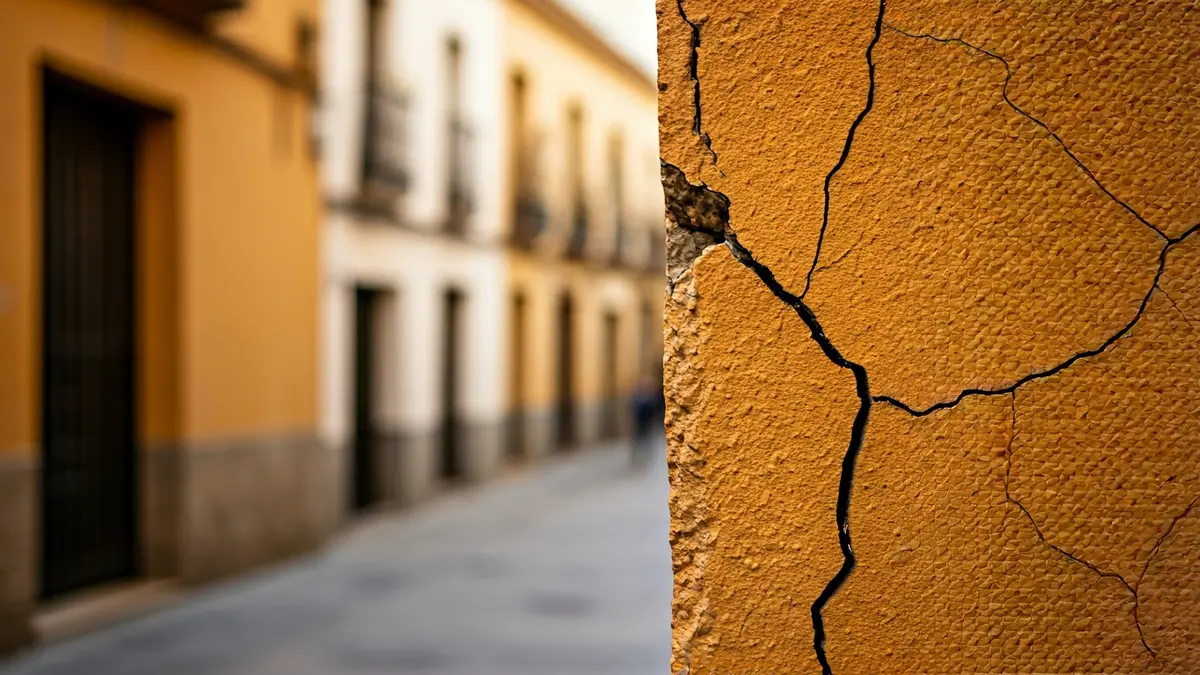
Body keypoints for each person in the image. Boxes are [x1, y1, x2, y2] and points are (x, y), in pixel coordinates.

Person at [630, 371, 664, 467]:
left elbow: (656, 407)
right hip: (640, 422)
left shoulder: (650, 398)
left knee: (647, 439)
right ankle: (636, 455)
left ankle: (647, 455)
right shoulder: (638, 398)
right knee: (639, 438)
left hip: (648, 421)